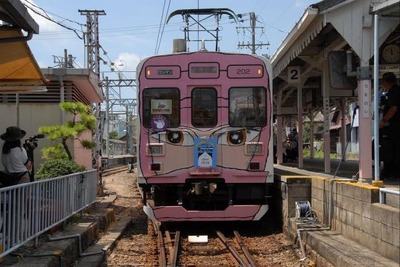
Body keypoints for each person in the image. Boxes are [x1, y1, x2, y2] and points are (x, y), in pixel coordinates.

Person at [379, 72, 400, 180]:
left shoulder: (393, 92)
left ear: (386, 82)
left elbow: (394, 108)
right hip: (395, 126)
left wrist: (384, 119)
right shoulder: (396, 90)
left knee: (392, 150)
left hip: (395, 127)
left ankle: (392, 173)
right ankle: (392, 172)